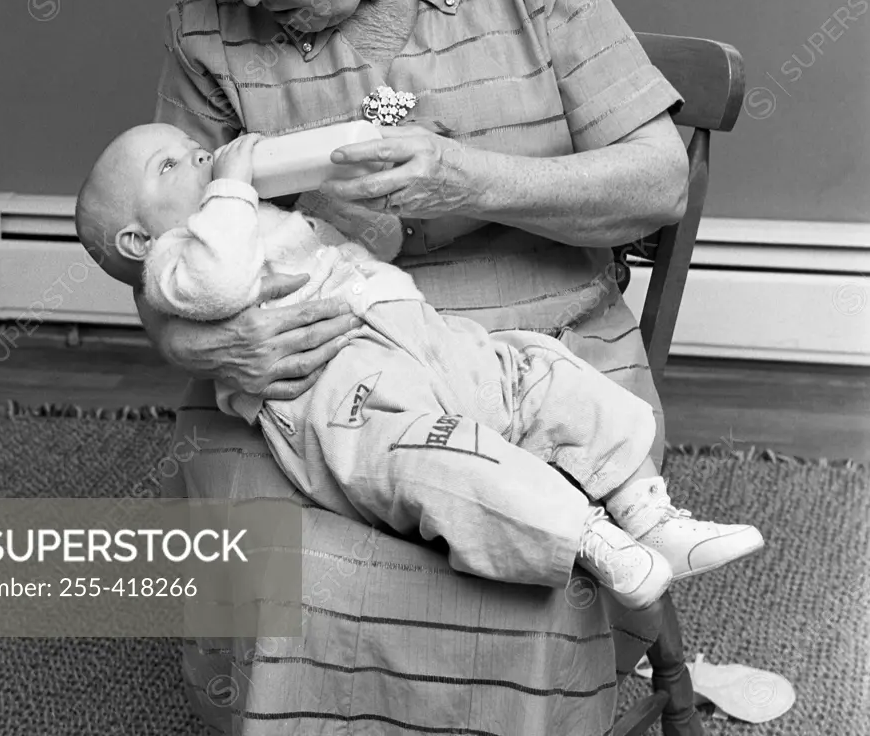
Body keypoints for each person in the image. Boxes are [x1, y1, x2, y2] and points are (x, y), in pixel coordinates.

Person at [132, 0, 716, 736]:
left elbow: (656, 180)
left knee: (527, 524)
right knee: (285, 555)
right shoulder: (206, 30)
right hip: (309, 369)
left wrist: (468, 178)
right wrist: (200, 344)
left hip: (538, 343)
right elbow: (164, 251)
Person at [78, 119, 763, 610]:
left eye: (194, 149)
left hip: (421, 336)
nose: (199, 157)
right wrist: (230, 189)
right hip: (342, 394)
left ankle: (647, 513)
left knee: (540, 372)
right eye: (169, 166)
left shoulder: (252, 216)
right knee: (438, 465)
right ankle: (583, 536)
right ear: (138, 238)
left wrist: (331, 188)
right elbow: (219, 285)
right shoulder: (176, 260)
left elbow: (363, 246)